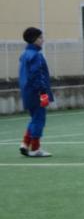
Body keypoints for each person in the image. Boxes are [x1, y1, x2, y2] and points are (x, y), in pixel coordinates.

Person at [19, 27, 54, 157]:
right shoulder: (36, 56)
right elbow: (37, 75)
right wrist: (43, 91)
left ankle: (25, 143)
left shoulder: (24, 54)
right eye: (40, 37)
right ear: (34, 39)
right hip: (38, 92)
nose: (42, 40)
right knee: (39, 119)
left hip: (27, 91)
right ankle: (35, 148)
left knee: (34, 118)